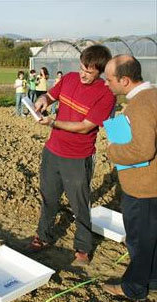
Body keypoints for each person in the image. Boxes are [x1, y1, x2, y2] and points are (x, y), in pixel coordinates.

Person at [28, 45, 116, 266]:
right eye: (81, 68)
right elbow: (50, 95)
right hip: (52, 151)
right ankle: (43, 236)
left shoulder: (106, 94)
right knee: (49, 197)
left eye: (89, 72)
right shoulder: (68, 79)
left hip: (78, 157)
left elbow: (86, 127)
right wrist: (43, 101)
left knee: (79, 204)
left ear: (101, 72)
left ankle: (83, 248)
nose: (83, 74)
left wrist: (53, 122)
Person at [101, 55, 157, 301]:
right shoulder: (152, 96)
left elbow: (143, 149)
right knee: (151, 239)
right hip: (152, 185)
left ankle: (133, 288)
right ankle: (152, 280)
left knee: (139, 241)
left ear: (124, 80)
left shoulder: (141, 105)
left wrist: (112, 149)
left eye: (109, 79)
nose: (105, 83)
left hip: (143, 187)